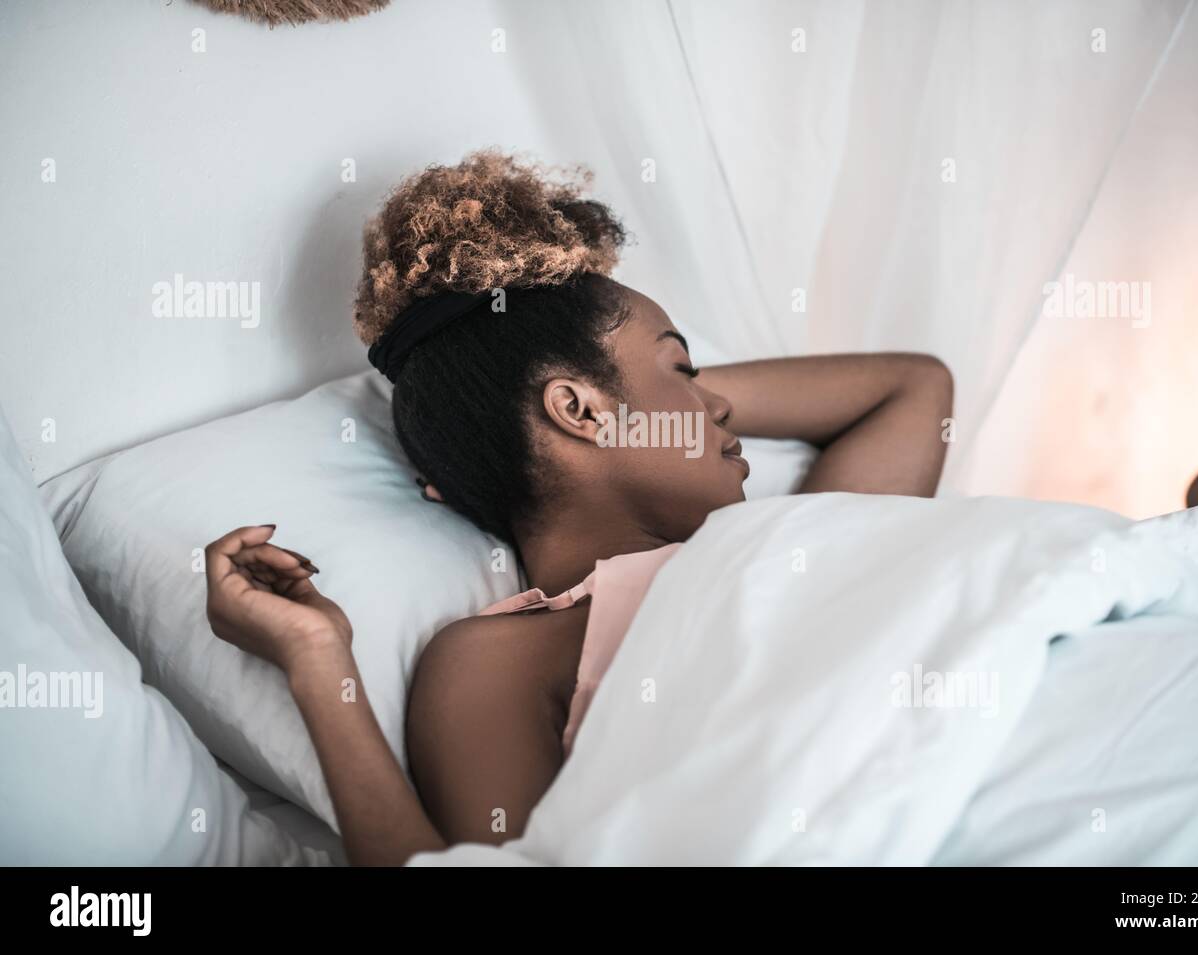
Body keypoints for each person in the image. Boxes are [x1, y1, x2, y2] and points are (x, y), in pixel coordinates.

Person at [203, 150, 953, 864]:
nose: (723, 403)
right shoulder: (501, 661)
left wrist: (642, 411)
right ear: (576, 409)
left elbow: (911, 387)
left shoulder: (787, 542)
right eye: (684, 368)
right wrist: (316, 663)